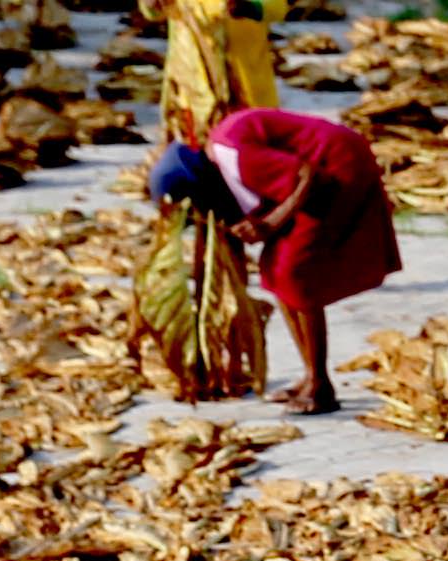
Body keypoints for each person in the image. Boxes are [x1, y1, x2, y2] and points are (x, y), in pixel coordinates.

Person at [145, 102, 401, 416]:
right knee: (275, 269)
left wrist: (271, 223)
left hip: (337, 162)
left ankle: (320, 385)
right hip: (318, 171)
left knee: (295, 271)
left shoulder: (238, 159)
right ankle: (310, 374)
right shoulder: (221, 159)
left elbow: (307, 175)